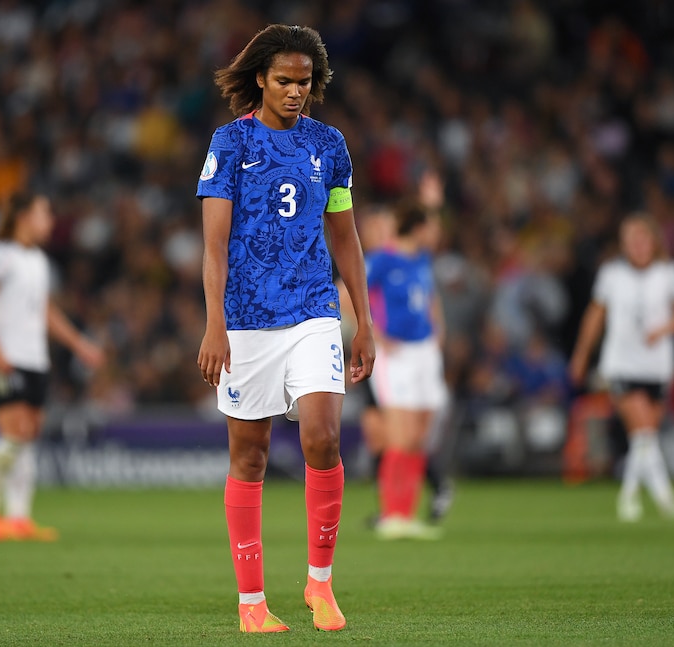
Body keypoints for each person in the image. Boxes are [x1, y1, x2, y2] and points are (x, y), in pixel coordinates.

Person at [195, 24, 375, 633]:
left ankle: (320, 586)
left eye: (304, 82)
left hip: (313, 314)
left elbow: (345, 236)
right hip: (244, 322)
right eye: (284, 81)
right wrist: (214, 324)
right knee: (249, 457)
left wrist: (364, 321)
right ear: (260, 81)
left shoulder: (330, 146)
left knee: (323, 437)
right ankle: (252, 604)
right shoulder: (229, 143)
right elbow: (214, 245)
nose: (296, 92)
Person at [0, 193, 105, 541]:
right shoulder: (1, 255)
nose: (50, 221)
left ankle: (18, 518)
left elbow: (44, 312)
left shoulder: (38, 261)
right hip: (6, 358)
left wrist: (79, 344)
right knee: (14, 433)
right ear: (24, 217)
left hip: (34, 359)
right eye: (44, 213)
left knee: (28, 436)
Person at [569, 213, 674, 522]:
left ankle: (660, 500)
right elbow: (595, 316)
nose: (637, 246)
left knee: (646, 439)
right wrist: (581, 354)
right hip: (622, 364)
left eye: (642, 239)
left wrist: (664, 329)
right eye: (630, 240)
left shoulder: (670, 273)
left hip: (657, 366)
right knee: (643, 432)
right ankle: (634, 498)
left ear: (653, 240)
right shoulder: (612, 275)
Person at [367, 201, 449, 540]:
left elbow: (430, 298)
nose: (437, 232)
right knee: (399, 437)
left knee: (418, 438)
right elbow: (347, 294)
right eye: (430, 225)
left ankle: (407, 513)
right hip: (396, 355)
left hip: (425, 352)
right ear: (418, 229)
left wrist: (439, 328)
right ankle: (391, 514)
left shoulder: (422, 260)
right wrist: (374, 334)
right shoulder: (381, 261)